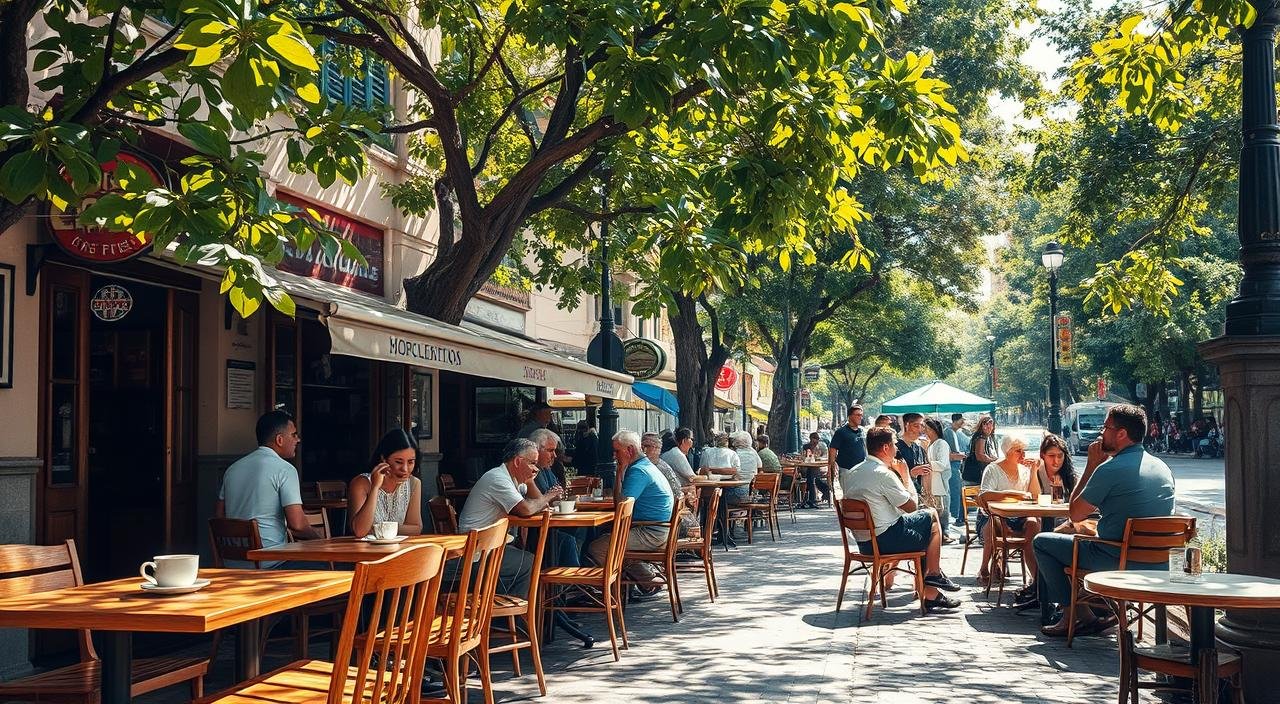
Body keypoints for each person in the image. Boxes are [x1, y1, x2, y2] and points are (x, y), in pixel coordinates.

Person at [1032, 404, 1176, 636]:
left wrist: (1091, 465)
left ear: (1121, 434)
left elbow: (1075, 513)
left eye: (1106, 427)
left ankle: (1070, 616)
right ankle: (1088, 615)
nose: (1101, 433)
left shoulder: (1109, 469)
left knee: (1042, 542)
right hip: (1160, 563)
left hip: (1116, 559)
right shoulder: (1162, 467)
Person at [840, 427, 961, 613]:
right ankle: (934, 577)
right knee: (931, 516)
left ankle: (932, 591)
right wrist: (905, 475)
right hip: (885, 540)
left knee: (924, 530)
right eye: (895, 444)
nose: (897, 448)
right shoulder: (883, 474)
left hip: (864, 543)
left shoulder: (852, 473)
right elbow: (911, 506)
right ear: (886, 447)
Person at [456, 438, 564, 596]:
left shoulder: (513, 479)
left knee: (527, 558)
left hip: (489, 545)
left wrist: (529, 481)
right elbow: (526, 509)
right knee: (529, 561)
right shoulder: (498, 479)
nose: (536, 469)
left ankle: (509, 608)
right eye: (533, 463)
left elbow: (539, 503)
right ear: (518, 462)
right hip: (477, 552)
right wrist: (549, 495)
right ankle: (515, 610)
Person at [215, 411, 321, 568]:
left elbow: (219, 515)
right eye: (294, 435)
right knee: (326, 566)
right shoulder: (284, 469)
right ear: (279, 440)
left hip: (232, 563)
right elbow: (297, 525)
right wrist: (321, 541)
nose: (298, 440)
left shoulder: (232, 470)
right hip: (271, 562)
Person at [587, 431, 675, 582]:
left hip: (650, 533)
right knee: (607, 536)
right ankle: (646, 581)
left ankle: (615, 588)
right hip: (658, 530)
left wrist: (619, 472)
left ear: (630, 450)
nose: (614, 456)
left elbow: (621, 507)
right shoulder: (646, 465)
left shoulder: (638, 471)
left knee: (597, 547)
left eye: (617, 451)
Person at [975, 435, 1042, 591]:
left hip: (1019, 517)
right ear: (1007, 451)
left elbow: (1035, 496)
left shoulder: (1025, 471)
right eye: (1018, 451)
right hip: (992, 516)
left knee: (1033, 524)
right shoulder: (993, 469)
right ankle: (985, 567)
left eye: (1023, 451)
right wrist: (1012, 494)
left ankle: (1036, 580)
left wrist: (1034, 471)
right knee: (995, 522)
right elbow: (984, 495)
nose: (1023, 454)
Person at [348, 429, 424, 538]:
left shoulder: (414, 483)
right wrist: (375, 487)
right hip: (363, 548)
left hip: (399, 547)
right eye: (398, 462)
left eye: (410, 462)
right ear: (384, 459)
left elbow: (416, 528)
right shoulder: (361, 483)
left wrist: (379, 529)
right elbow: (359, 531)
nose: (405, 469)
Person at [527, 428, 585, 568]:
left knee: (583, 529)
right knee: (568, 540)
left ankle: (576, 572)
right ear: (536, 450)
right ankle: (570, 577)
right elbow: (544, 501)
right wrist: (551, 497)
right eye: (550, 450)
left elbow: (558, 494)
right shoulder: (530, 472)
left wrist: (555, 497)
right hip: (536, 531)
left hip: (551, 523)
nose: (554, 455)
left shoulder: (546, 469)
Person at [825, 405, 866, 508]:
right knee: (849, 496)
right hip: (847, 469)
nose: (860, 417)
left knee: (861, 496)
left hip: (862, 469)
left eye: (861, 415)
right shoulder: (841, 432)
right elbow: (833, 449)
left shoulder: (862, 431)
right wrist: (832, 466)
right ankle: (848, 514)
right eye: (857, 415)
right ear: (850, 416)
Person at [922, 419, 954, 543]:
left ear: (933, 429)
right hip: (932, 482)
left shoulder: (941, 444)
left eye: (926, 428)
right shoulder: (930, 444)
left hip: (940, 482)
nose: (924, 431)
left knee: (943, 509)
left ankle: (944, 534)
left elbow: (942, 464)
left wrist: (925, 465)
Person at [943, 414, 970, 533]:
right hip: (952, 467)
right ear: (955, 421)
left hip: (956, 466)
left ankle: (958, 517)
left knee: (958, 493)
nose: (963, 422)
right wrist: (963, 455)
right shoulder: (949, 432)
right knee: (956, 493)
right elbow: (953, 453)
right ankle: (956, 517)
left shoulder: (957, 433)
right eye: (961, 420)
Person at [895, 413, 931, 495]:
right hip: (903, 495)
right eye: (916, 426)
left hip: (918, 494)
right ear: (906, 425)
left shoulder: (919, 447)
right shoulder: (896, 448)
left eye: (922, 426)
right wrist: (912, 474)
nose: (920, 430)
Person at [966, 415, 998, 484]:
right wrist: (993, 461)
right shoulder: (981, 438)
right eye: (986, 425)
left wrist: (996, 459)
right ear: (981, 426)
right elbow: (980, 456)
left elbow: (987, 453)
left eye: (990, 425)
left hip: (976, 473)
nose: (988, 428)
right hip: (978, 473)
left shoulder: (984, 437)